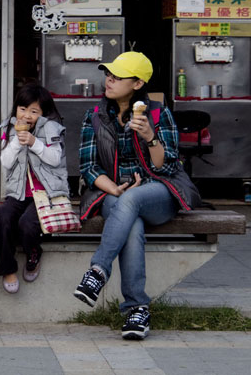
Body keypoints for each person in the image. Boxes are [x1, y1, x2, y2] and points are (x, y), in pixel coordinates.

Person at [74, 52, 201, 340]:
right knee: (130, 219)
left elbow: (168, 166)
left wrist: (150, 137)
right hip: (112, 190)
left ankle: (98, 270)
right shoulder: (94, 116)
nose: (109, 80)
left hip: (158, 190)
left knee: (131, 201)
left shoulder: (157, 113)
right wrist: (114, 188)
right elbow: (88, 167)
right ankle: (137, 310)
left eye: (118, 77)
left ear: (137, 83)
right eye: (108, 74)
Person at [0, 83, 68, 293]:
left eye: (34, 111)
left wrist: (34, 142)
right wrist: (17, 141)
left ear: (43, 113)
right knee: (3, 220)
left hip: (47, 193)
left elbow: (55, 159)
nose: (27, 115)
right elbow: (6, 162)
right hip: (18, 192)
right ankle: (8, 269)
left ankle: (34, 253)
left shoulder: (51, 128)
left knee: (28, 224)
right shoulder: (9, 128)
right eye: (22, 109)